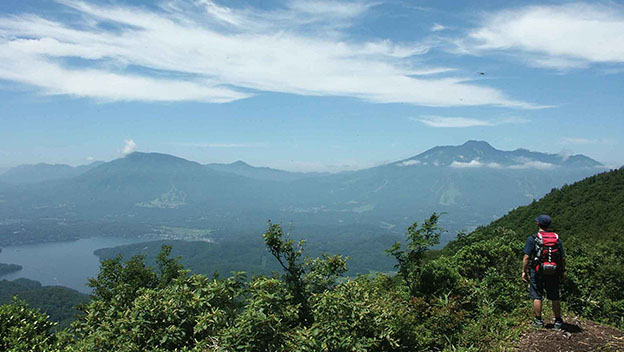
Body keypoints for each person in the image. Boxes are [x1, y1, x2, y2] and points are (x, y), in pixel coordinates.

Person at [522, 214, 565, 329]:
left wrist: (524, 271)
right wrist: (562, 271)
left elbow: (526, 257)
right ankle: (558, 321)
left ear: (538, 224)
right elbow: (562, 258)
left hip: (537, 271)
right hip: (554, 271)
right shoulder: (556, 239)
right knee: (554, 296)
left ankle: (538, 321)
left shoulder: (533, 238)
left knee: (537, 295)